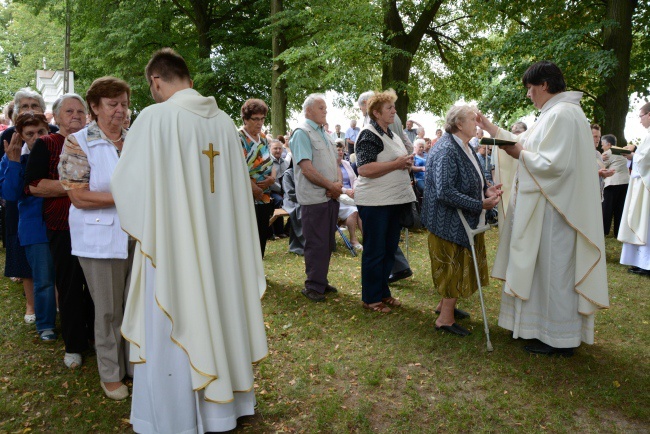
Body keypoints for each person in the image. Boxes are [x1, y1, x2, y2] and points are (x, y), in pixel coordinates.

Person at [111, 48, 268, 433]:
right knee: (221, 308)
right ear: (189, 79)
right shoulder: (225, 123)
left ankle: (175, 415)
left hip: (174, 249)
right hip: (221, 251)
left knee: (174, 317)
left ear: (156, 81)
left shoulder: (155, 118)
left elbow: (126, 185)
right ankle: (226, 408)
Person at [478, 61, 609, 356]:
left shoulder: (564, 114)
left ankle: (559, 338)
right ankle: (539, 329)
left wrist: (518, 152)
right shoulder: (555, 113)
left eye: (530, 88)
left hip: (557, 213)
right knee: (544, 271)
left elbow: (554, 165)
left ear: (544, 86)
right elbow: (528, 143)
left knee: (555, 272)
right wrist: (491, 128)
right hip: (547, 208)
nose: (528, 95)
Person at [58, 77, 134, 400]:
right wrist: (124, 198)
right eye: (112, 104)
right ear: (95, 106)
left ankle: (135, 365)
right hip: (99, 240)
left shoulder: (134, 139)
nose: (120, 110)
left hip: (137, 235)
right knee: (107, 311)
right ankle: (111, 374)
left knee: (134, 305)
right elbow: (78, 197)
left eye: (124, 103)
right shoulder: (79, 142)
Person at [24, 93, 95, 368]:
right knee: (68, 286)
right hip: (61, 225)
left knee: (93, 285)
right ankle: (74, 345)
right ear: (57, 116)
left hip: (93, 223)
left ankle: (94, 337)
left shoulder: (94, 142)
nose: (76, 115)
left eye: (80, 111)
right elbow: (33, 185)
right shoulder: (47, 144)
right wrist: (74, 186)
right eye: (69, 111)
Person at [422, 105, 501, 336]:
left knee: (458, 265)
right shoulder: (447, 149)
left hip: (460, 219)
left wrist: (487, 189)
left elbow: (475, 176)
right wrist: (480, 204)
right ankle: (444, 320)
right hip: (447, 221)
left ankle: (444, 307)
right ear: (458, 124)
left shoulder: (465, 146)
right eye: (471, 119)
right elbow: (444, 191)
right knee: (452, 267)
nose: (477, 123)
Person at [354, 89, 415, 313]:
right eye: (389, 108)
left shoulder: (392, 134)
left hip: (392, 201)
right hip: (374, 203)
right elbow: (364, 168)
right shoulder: (368, 134)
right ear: (377, 113)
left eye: (393, 107)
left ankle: (383, 292)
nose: (394, 111)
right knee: (375, 249)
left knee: (389, 248)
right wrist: (396, 164)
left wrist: (406, 163)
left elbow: (395, 159)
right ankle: (371, 298)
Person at [2, 112, 57, 341]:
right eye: (30, 134)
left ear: (48, 130)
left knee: (69, 277)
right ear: (21, 137)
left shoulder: (59, 149)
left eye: (41, 132)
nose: (36, 137)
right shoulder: (14, 157)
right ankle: (45, 324)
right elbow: (10, 194)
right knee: (43, 279)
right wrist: (14, 162)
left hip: (64, 223)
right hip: (35, 227)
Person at [289, 94, 342, 302]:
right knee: (316, 242)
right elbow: (307, 170)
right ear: (308, 110)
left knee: (327, 241)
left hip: (330, 196)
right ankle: (312, 286)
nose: (325, 111)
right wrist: (331, 186)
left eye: (326, 108)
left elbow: (336, 163)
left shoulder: (325, 133)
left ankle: (320, 279)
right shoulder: (302, 133)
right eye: (321, 107)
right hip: (314, 198)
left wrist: (337, 185)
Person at [238, 99, 275, 256]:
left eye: (262, 118)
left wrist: (272, 178)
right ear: (245, 119)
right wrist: (255, 190)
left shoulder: (264, 138)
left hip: (264, 195)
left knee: (261, 234)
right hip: (246, 195)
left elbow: (270, 161)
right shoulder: (238, 138)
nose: (259, 123)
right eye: (255, 119)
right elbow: (238, 168)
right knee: (247, 236)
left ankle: (259, 271)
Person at [618, 102, 650, 276]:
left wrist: (632, 156)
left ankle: (647, 264)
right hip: (643, 184)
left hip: (647, 186)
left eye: (641, 115)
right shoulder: (647, 135)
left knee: (646, 223)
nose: (640, 120)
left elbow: (646, 160)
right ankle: (642, 262)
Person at [601, 134, 629, 236]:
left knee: (607, 208)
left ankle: (604, 230)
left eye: (603, 144)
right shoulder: (622, 152)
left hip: (612, 183)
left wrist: (599, 157)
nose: (602, 147)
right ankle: (618, 232)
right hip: (625, 183)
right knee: (620, 209)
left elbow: (601, 165)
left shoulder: (608, 153)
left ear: (608, 144)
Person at [335, 142, 363, 250]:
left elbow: (355, 178)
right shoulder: (330, 166)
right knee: (353, 210)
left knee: (362, 209)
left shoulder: (346, 163)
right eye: (338, 150)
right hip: (338, 196)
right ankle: (353, 239)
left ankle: (367, 238)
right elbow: (332, 183)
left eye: (342, 150)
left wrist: (354, 189)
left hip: (352, 195)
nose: (341, 152)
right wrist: (346, 191)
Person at [282, 161, 305, 255]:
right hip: (292, 200)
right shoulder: (288, 173)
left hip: (307, 199)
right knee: (300, 211)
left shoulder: (305, 172)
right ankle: (302, 245)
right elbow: (290, 192)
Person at [269, 139, 289, 239]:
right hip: (270, 191)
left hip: (285, 191)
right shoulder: (267, 163)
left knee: (298, 201)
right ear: (270, 149)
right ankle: (278, 231)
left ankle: (289, 229)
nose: (278, 150)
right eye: (275, 148)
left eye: (280, 148)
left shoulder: (286, 163)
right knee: (278, 200)